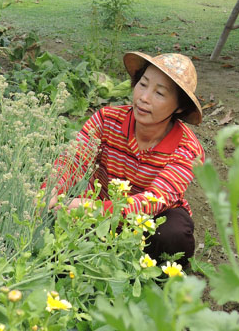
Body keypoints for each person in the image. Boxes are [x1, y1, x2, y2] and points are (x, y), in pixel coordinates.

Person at [47, 51, 205, 266]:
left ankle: (162, 281)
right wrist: (51, 191)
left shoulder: (187, 149)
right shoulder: (107, 120)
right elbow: (73, 162)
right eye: (143, 84)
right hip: (98, 210)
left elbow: (153, 201)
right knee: (53, 232)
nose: (144, 97)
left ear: (179, 106)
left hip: (149, 221)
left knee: (173, 235)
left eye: (159, 93)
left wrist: (87, 208)